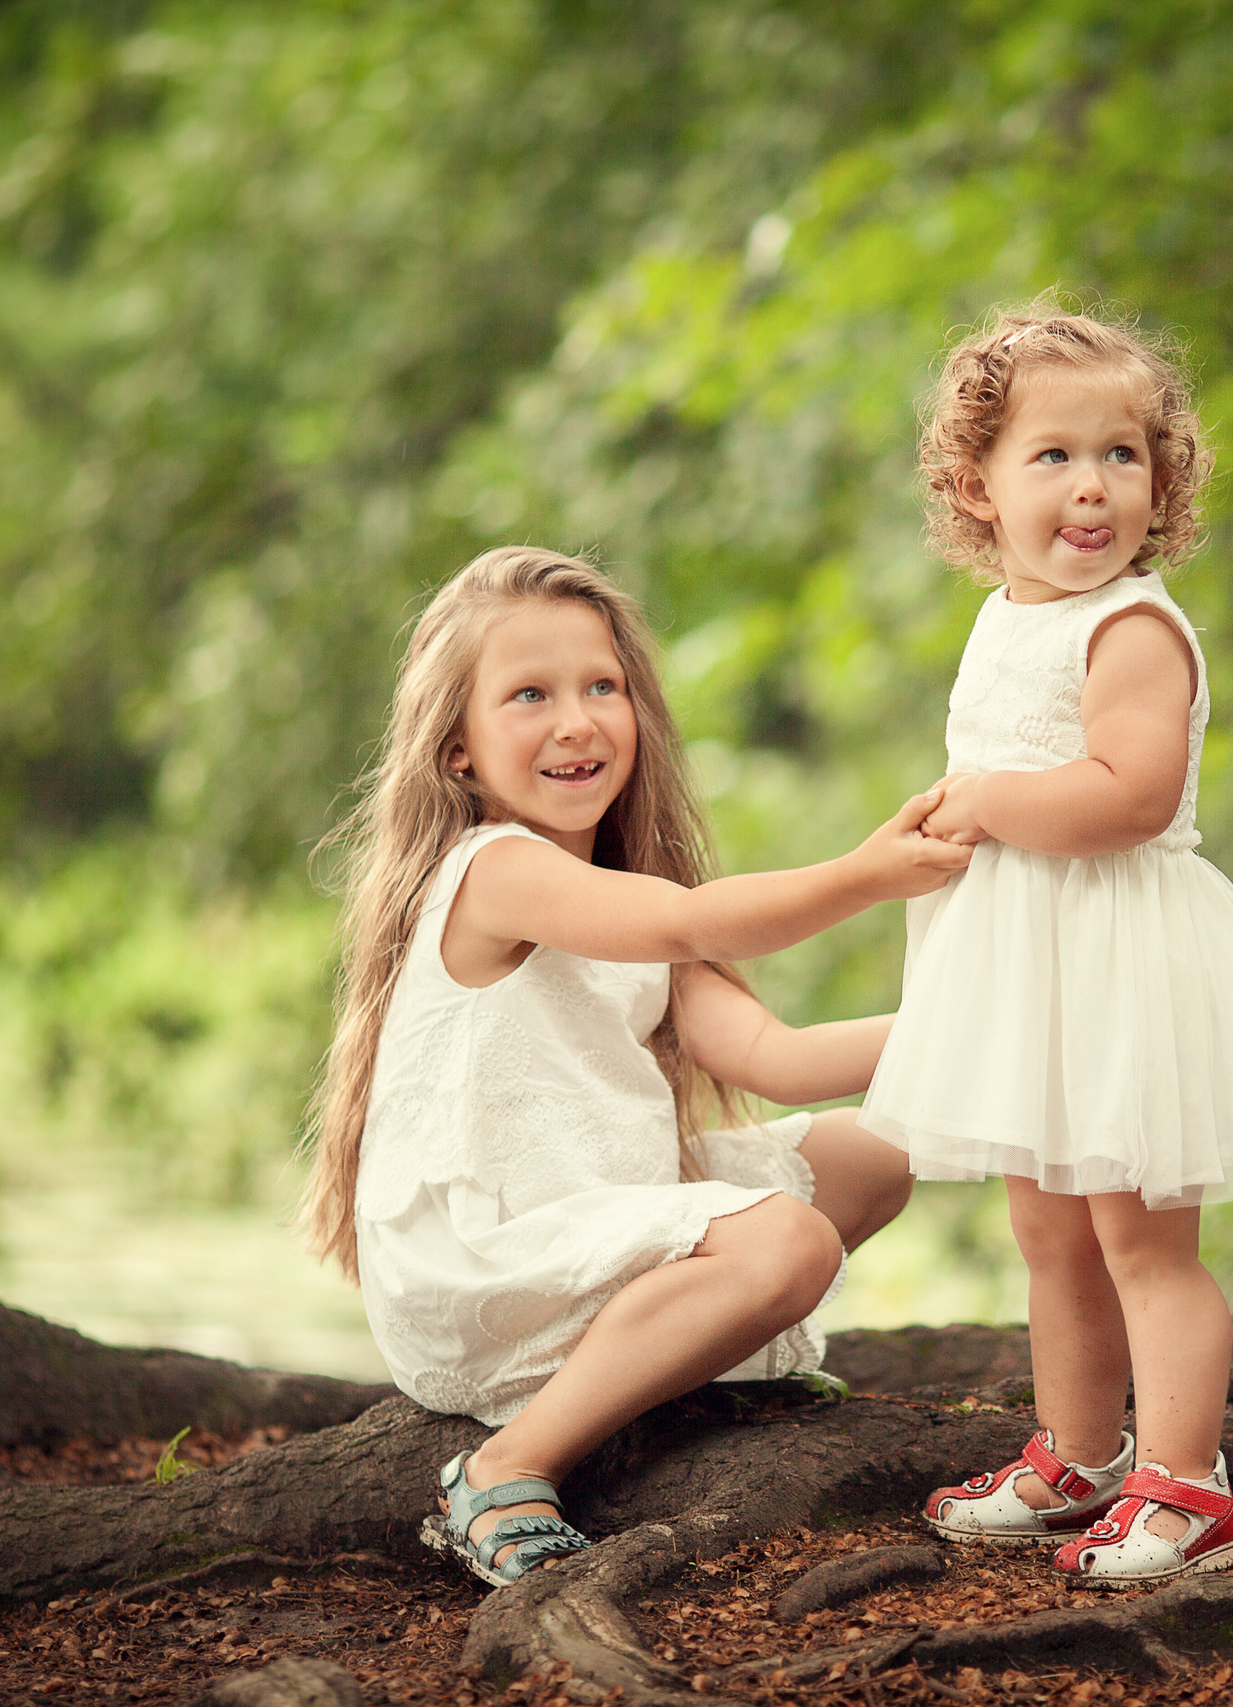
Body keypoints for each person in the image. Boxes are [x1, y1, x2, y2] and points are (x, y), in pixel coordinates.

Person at [299, 545, 968, 1587]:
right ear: (459, 752)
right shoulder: (494, 870)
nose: (576, 721)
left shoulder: (623, 886)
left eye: (600, 687)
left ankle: (657, 1366)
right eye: (528, 695)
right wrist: (865, 876)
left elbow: (778, 1062)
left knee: (879, 1150)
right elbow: (696, 917)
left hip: (603, 1217)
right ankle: (504, 1466)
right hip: (490, 1261)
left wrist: (977, 1023)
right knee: (785, 1244)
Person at [863, 304, 1233, 1587]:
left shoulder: (1131, 627)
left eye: (1122, 456)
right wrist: (946, 819)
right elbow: (1004, 760)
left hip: (1120, 965)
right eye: (1055, 456)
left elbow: (1127, 794)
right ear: (977, 485)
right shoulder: (1012, 614)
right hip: (1034, 970)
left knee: (1141, 1242)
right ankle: (1080, 1452)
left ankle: (1189, 1489)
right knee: (1050, 1232)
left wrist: (982, 803)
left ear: (1162, 479)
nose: (1092, 487)